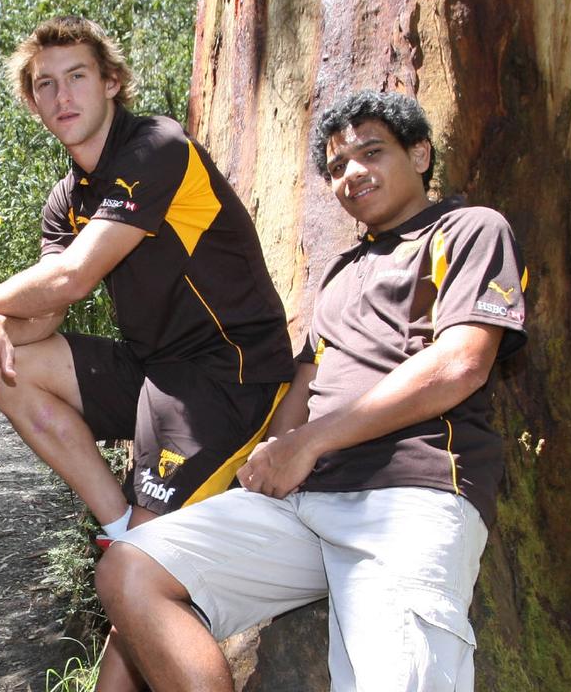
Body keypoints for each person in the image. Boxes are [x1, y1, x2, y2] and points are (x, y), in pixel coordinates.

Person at [96, 90, 529, 691]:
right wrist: (273, 455)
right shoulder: (341, 272)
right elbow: (308, 378)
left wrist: (310, 443)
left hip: (411, 493)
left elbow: (461, 363)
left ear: (421, 153)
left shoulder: (471, 230)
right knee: (132, 568)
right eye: (336, 167)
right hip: (302, 503)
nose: (352, 174)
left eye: (371, 153)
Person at [0, 16, 294, 689]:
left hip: (226, 373)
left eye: (77, 77)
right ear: (33, 103)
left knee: (143, 578)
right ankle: (119, 524)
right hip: (153, 370)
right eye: (44, 85)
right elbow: (45, 311)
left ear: (112, 82)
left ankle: (133, 538)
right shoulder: (67, 199)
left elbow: (73, 278)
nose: (61, 95)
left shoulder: (155, 147)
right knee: (12, 367)